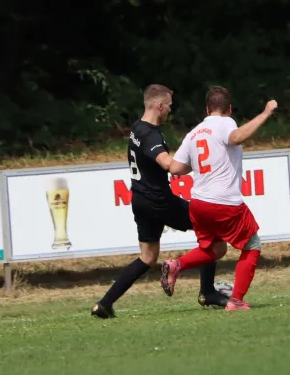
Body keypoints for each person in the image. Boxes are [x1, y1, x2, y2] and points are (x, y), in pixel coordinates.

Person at [91, 84, 228, 319]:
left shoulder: (137, 128)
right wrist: (200, 164)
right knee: (214, 234)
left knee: (147, 257)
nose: (170, 111)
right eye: (170, 107)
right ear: (160, 105)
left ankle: (104, 304)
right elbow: (167, 164)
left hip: (140, 200)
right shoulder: (151, 134)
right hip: (159, 201)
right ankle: (207, 293)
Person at [160, 86, 278, 311]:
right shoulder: (226, 123)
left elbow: (175, 167)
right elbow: (235, 138)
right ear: (229, 109)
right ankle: (236, 301)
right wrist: (265, 113)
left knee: (216, 250)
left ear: (206, 109)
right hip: (224, 202)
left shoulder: (194, 133)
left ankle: (176, 264)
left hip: (198, 204)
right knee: (252, 245)